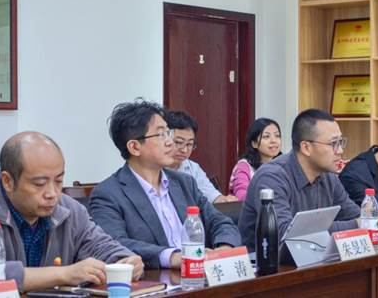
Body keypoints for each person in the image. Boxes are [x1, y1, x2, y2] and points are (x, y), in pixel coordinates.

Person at [0, 132, 143, 290]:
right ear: (8, 181)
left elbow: (103, 247)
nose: (52, 193)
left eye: (58, 181)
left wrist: (125, 261)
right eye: (39, 184)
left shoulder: (70, 210)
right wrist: (64, 274)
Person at [89, 99, 241, 270]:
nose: (170, 142)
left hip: (200, 275)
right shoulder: (108, 194)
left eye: (169, 133)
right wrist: (172, 257)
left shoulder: (184, 183)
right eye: (161, 134)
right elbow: (114, 244)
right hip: (155, 281)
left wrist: (223, 250)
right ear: (134, 147)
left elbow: (221, 222)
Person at [238, 109, 378, 252]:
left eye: (341, 142)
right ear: (306, 147)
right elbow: (285, 233)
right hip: (268, 269)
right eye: (333, 144)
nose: (340, 150)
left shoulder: (328, 177)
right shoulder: (271, 177)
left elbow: (354, 215)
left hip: (312, 260)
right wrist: (360, 223)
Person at [164, 110, 237, 203]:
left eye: (189, 144)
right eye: (179, 142)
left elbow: (212, 197)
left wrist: (225, 200)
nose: (184, 150)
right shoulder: (153, 168)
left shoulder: (193, 168)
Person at [229, 118, 282, 200]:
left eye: (277, 136)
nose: (274, 141)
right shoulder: (244, 166)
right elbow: (241, 195)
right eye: (266, 136)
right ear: (254, 143)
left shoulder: (283, 165)